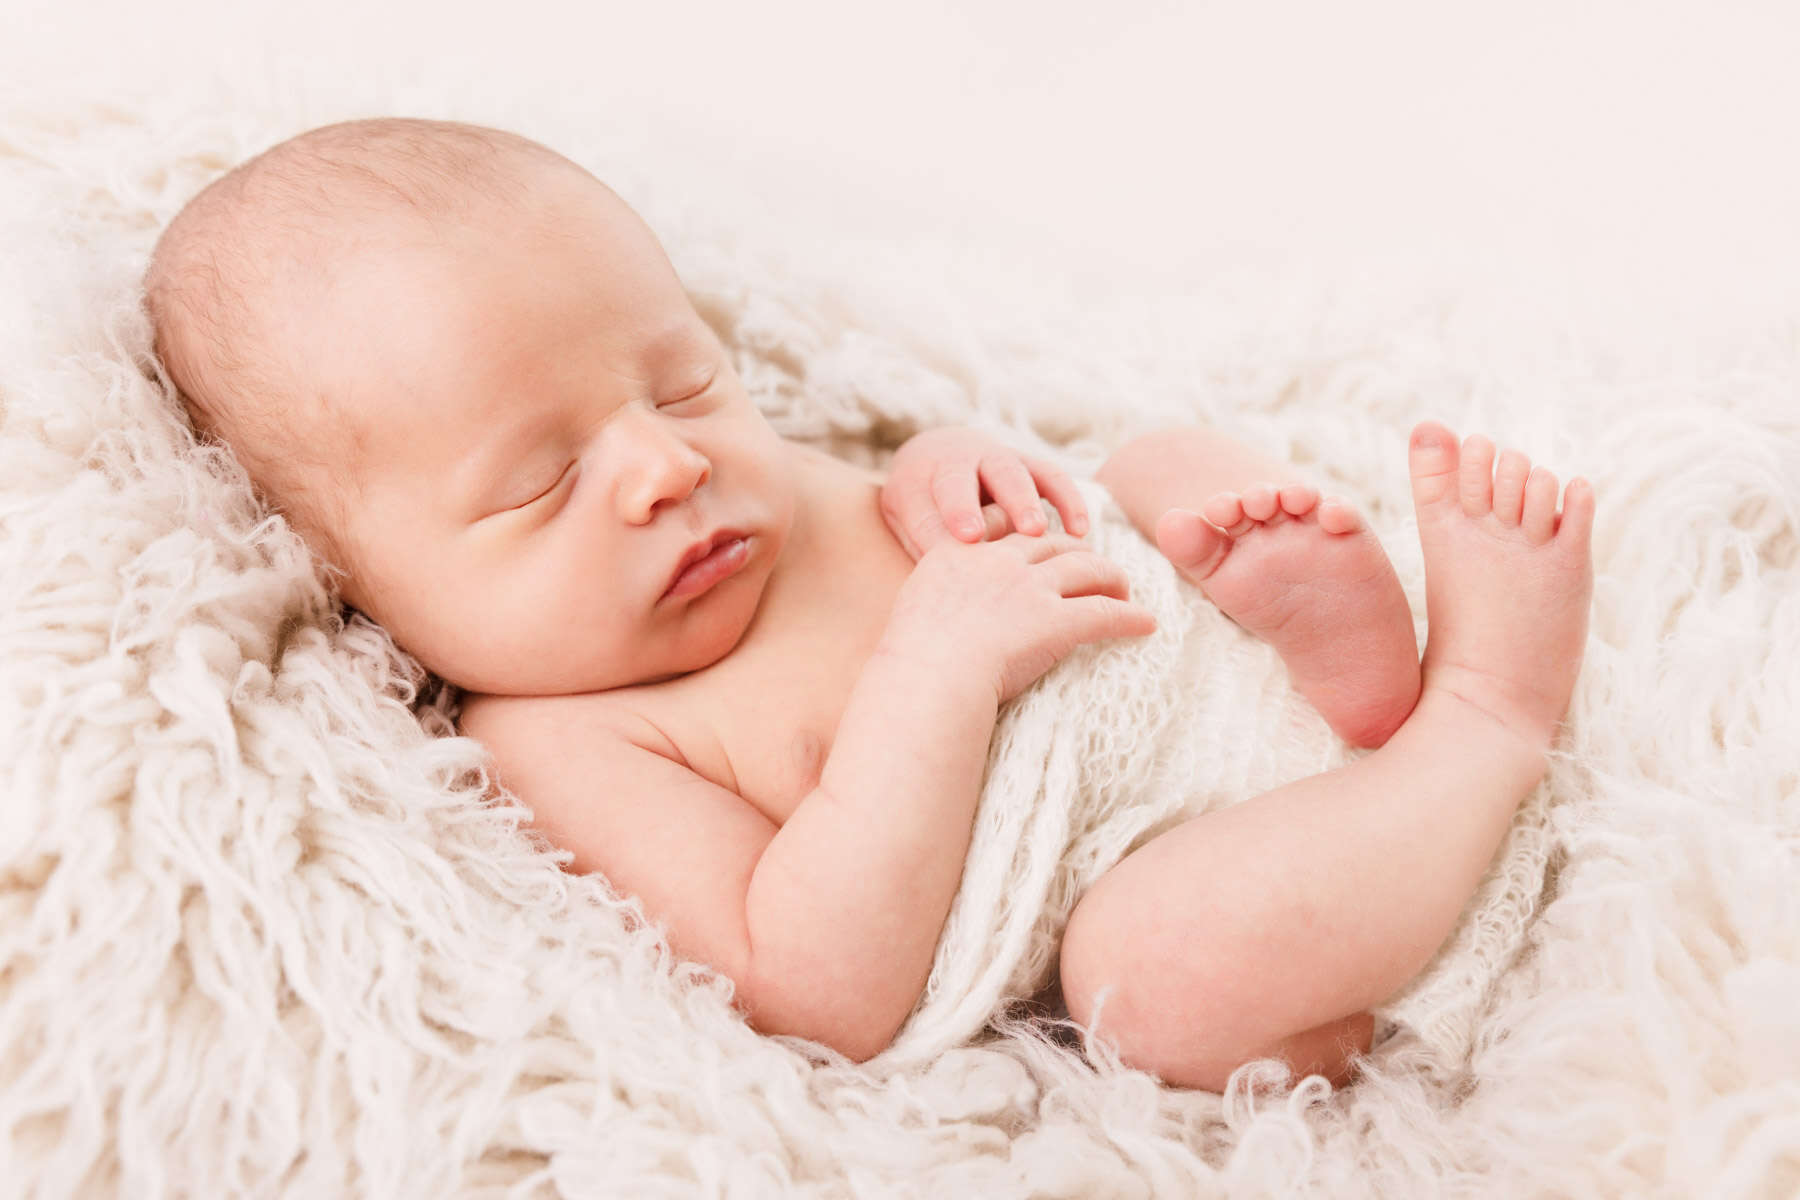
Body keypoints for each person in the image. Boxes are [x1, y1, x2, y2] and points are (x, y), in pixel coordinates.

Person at [142, 117, 1595, 1092]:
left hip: (1193, 669)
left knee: (1152, 461)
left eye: (683, 379)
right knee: (1148, 986)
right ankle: (1481, 711)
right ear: (365, 592)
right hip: (1179, 857)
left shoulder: (749, 499)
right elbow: (811, 988)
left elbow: (958, 493)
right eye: (539, 482)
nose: (667, 464)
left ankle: (1340, 650)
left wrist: (958, 474)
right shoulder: (566, 740)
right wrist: (937, 671)